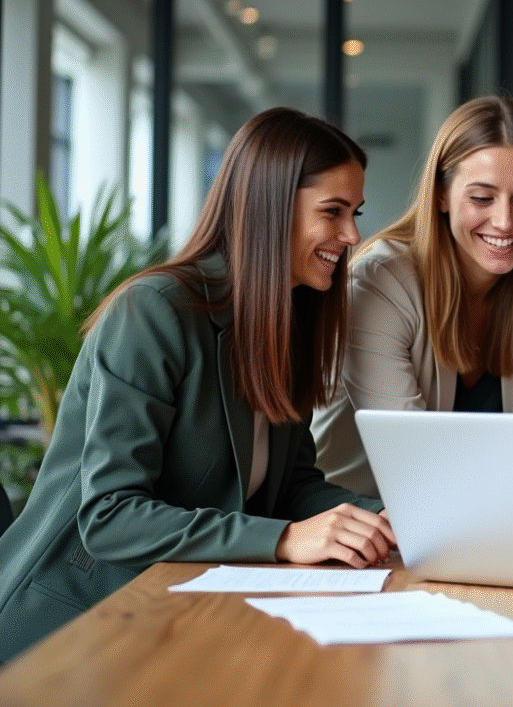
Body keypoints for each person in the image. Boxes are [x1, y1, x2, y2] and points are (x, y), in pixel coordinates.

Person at [0, 107, 395, 660]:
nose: (352, 235)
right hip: (71, 631)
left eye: (355, 212)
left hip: (183, 618)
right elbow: (111, 517)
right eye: (333, 212)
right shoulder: (154, 312)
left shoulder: (285, 322)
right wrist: (283, 538)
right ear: (269, 209)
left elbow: (293, 487)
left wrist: (385, 516)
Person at [311, 96, 513, 497]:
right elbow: (416, 462)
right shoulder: (380, 280)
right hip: (360, 527)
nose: (505, 221)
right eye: (481, 197)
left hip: (484, 522)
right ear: (440, 194)